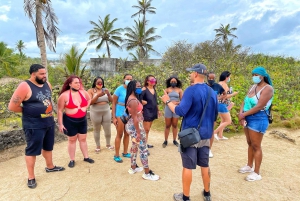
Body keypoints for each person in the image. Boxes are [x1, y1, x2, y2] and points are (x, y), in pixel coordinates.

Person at [161, 64, 218, 201]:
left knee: (188, 166)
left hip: (190, 135)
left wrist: (167, 101)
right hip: (205, 134)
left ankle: (185, 197)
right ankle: (207, 193)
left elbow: (180, 111)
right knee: (205, 165)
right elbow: (215, 115)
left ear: (196, 74)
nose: (190, 75)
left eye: (191, 73)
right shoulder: (212, 92)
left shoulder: (190, 90)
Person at [8, 64, 65, 189]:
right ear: (33, 74)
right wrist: (28, 110)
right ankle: (31, 177)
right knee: (32, 150)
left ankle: (50, 167)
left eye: (45, 73)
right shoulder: (25, 86)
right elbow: (12, 106)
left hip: (48, 122)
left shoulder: (47, 84)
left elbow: (48, 100)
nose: (44, 76)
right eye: (42, 74)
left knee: (48, 147)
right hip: (33, 125)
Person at [238, 66, 273, 182]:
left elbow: (259, 106)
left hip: (259, 118)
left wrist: (244, 114)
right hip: (248, 117)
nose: (254, 77)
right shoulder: (253, 86)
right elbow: (244, 101)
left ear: (262, 76)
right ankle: (249, 165)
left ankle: (257, 172)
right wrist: (241, 113)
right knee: (249, 143)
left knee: (256, 145)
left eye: (256, 75)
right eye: (253, 75)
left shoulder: (268, 89)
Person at [124, 80, 160, 181]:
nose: (140, 88)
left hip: (133, 126)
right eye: (138, 86)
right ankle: (147, 173)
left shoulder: (132, 98)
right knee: (143, 149)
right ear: (132, 87)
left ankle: (133, 167)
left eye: (140, 86)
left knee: (134, 146)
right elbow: (135, 118)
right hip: (136, 127)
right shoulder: (133, 101)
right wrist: (139, 132)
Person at [57, 75, 94, 168]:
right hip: (70, 120)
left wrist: (86, 106)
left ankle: (86, 157)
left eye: (79, 82)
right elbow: (60, 110)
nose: (78, 84)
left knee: (83, 139)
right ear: (70, 84)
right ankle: (72, 159)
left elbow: (89, 99)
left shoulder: (83, 92)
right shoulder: (64, 95)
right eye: (76, 83)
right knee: (72, 140)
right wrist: (61, 124)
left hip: (82, 120)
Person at [87, 77, 114, 153]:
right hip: (95, 111)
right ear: (95, 83)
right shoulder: (91, 91)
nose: (100, 84)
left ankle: (108, 144)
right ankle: (98, 146)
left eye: (101, 82)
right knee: (96, 129)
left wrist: (108, 94)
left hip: (106, 111)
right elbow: (90, 102)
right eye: (98, 82)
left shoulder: (105, 90)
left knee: (107, 128)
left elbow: (112, 101)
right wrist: (98, 96)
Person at [112, 74, 133, 163]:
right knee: (119, 134)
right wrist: (114, 117)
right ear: (124, 79)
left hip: (129, 113)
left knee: (127, 133)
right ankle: (116, 155)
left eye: (130, 79)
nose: (129, 80)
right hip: (120, 113)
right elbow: (113, 103)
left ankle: (125, 152)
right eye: (127, 79)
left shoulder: (132, 90)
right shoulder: (119, 89)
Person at [214, 71, 238, 140]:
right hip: (222, 104)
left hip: (219, 103)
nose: (229, 78)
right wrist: (233, 94)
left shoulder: (219, 83)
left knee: (223, 120)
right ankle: (215, 132)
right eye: (229, 77)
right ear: (226, 77)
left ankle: (220, 135)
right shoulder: (223, 84)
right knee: (228, 121)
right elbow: (224, 96)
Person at [207, 72, 226, 158]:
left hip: (213, 110)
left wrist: (219, 98)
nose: (211, 80)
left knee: (211, 130)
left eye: (213, 78)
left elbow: (224, 93)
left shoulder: (218, 86)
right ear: (206, 78)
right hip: (202, 110)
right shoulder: (203, 86)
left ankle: (209, 149)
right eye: (209, 78)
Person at [163, 76, 183, 148]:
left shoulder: (179, 90)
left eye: (174, 81)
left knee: (175, 125)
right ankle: (165, 140)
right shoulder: (167, 90)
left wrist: (177, 103)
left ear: (177, 82)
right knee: (167, 125)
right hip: (168, 108)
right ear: (169, 82)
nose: (173, 83)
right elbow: (164, 100)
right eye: (172, 81)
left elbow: (182, 100)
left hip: (176, 108)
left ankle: (174, 140)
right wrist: (170, 102)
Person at [141, 75, 160, 149]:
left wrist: (158, 110)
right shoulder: (144, 89)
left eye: (154, 80)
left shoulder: (154, 89)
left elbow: (155, 101)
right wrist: (142, 102)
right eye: (151, 80)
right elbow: (138, 99)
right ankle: (143, 146)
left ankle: (145, 142)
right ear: (147, 81)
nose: (153, 81)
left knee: (148, 130)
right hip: (146, 110)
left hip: (153, 111)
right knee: (146, 129)